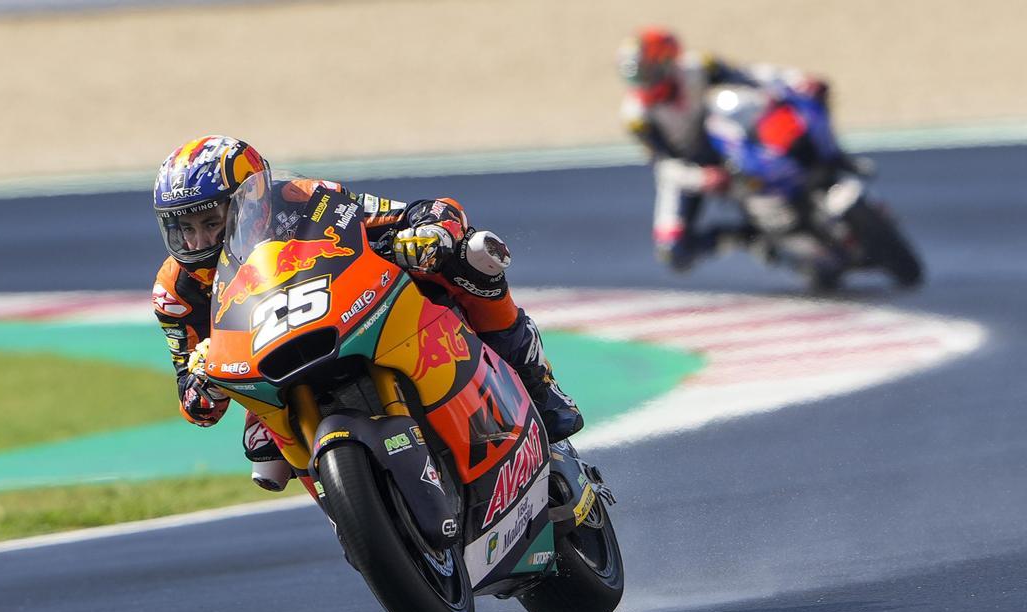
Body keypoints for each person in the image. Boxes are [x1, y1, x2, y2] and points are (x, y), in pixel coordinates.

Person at [151, 135, 582, 491]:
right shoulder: (176, 291)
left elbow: (415, 213)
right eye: (183, 229)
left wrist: (430, 232)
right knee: (262, 449)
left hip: (344, 311)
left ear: (252, 200)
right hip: (270, 365)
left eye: (211, 222)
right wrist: (203, 378)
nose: (196, 241)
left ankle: (537, 384)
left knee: (470, 254)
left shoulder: (308, 199)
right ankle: (350, 519)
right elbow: (197, 407)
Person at [616, 27, 829, 272]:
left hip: (726, 141)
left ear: (666, 63)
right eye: (636, 76)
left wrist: (797, 79)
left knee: (784, 126)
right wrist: (700, 178)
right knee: (674, 252)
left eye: (647, 72)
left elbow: (750, 75)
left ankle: (826, 172)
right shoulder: (636, 116)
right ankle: (746, 239)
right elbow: (662, 163)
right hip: (688, 169)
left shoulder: (699, 67)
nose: (642, 83)